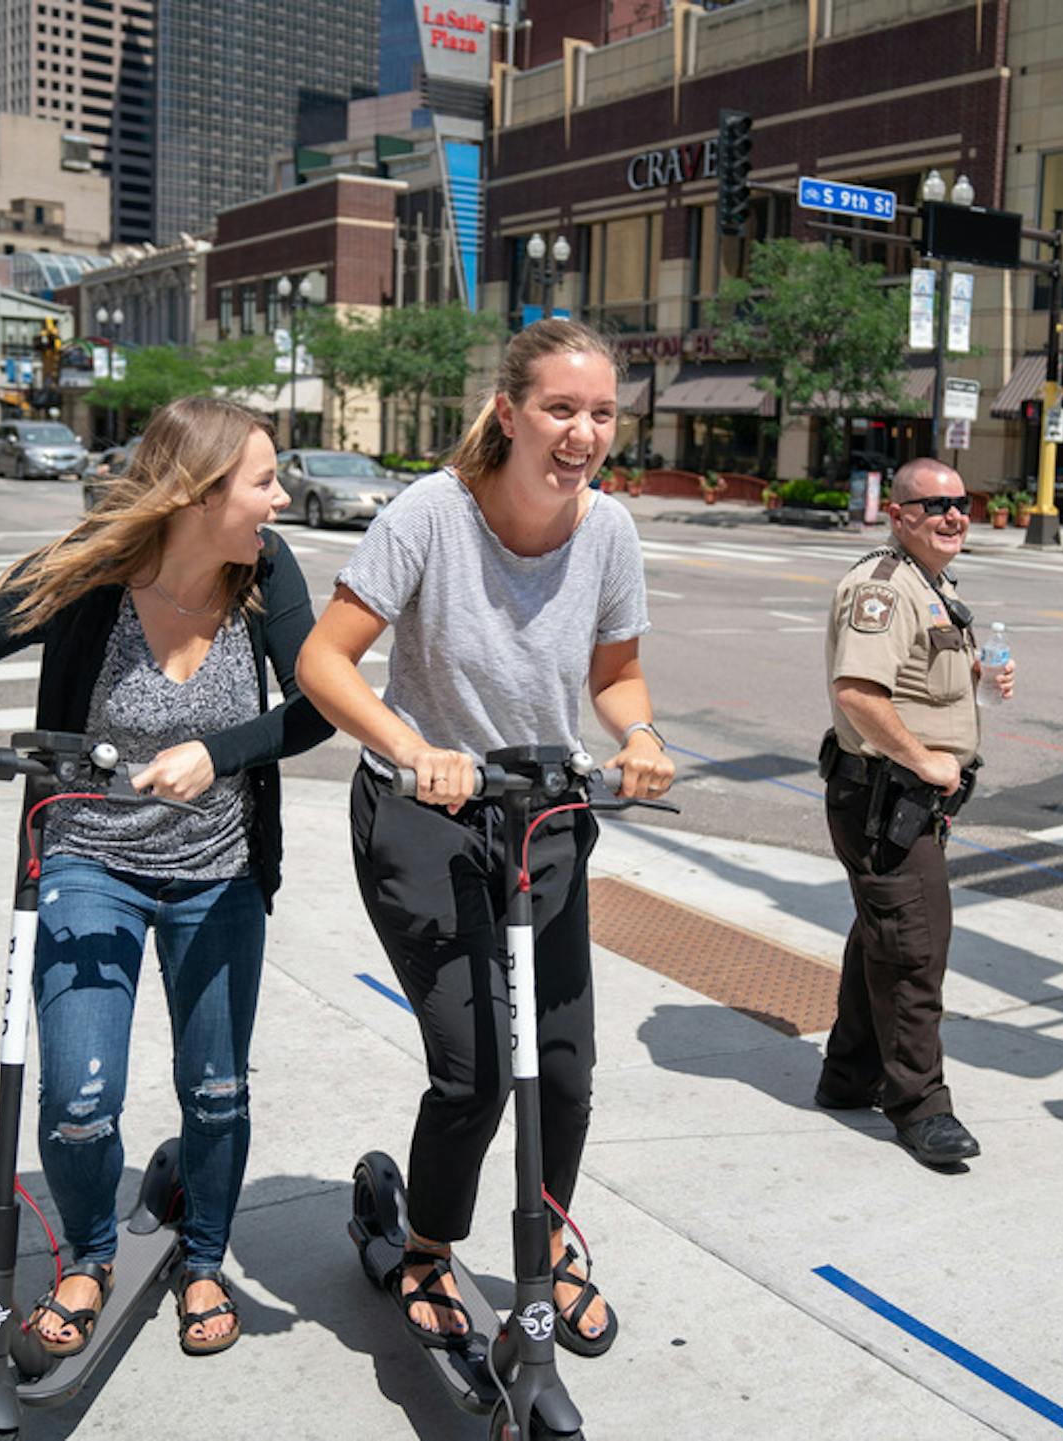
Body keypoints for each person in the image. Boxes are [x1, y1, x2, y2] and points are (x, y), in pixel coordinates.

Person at [0, 395, 330, 1359]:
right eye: (263, 482)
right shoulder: (93, 569)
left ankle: (205, 1259)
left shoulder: (264, 574)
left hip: (217, 870)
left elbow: (315, 708)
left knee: (216, 1090)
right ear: (196, 493)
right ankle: (90, 1251)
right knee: (80, 1103)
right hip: (90, 860)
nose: (280, 501)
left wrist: (219, 753)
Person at [296, 318, 675, 1358]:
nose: (583, 433)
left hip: (543, 819)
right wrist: (411, 744)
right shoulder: (431, 514)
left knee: (562, 1068)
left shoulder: (610, 532)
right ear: (509, 412)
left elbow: (612, 676)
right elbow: (324, 662)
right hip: (424, 818)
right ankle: (426, 1245)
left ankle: (549, 1236)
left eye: (601, 413)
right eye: (561, 408)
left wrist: (638, 732)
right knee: (473, 1069)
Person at [815, 458, 1010, 1169]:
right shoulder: (884, 590)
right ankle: (919, 1104)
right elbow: (859, 693)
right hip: (883, 796)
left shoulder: (933, 585)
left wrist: (980, 682)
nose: (954, 516)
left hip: (908, 798)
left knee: (885, 933)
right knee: (914, 948)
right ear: (898, 516)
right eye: (934, 506)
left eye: (963, 502)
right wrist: (925, 760)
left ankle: (849, 1073)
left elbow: (919, 685)